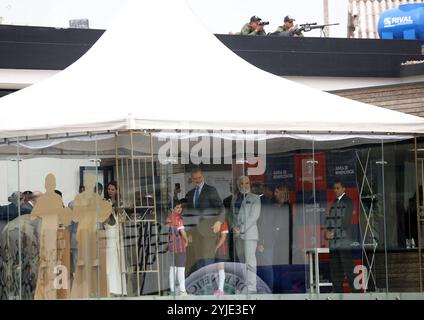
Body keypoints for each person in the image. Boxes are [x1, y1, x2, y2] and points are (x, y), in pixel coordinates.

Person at [184, 167, 225, 273]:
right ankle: (202, 284)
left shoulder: (211, 190)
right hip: (195, 232)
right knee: (198, 259)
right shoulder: (190, 194)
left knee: (208, 259)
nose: (198, 180)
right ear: (192, 179)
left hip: (209, 230)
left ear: (203, 176)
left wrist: (219, 222)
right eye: (195, 178)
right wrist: (189, 232)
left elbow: (221, 208)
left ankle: (209, 286)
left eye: (200, 177)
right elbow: (189, 215)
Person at [325, 180, 359, 293]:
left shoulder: (348, 201)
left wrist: (333, 232)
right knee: (335, 267)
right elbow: (330, 219)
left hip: (344, 239)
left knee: (347, 266)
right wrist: (328, 232)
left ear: (344, 189)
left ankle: (355, 292)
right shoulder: (335, 202)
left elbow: (346, 221)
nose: (335, 190)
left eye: (338, 188)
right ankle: (337, 290)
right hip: (334, 241)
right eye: (334, 188)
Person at [231, 176, 261, 294]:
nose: (245, 185)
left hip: (249, 234)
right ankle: (244, 285)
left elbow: (254, 217)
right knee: (241, 262)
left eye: (247, 183)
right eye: (242, 183)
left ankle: (252, 287)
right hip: (238, 235)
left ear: (250, 183)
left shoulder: (255, 198)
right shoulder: (235, 198)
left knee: (250, 261)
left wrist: (241, 229)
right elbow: (232, 215)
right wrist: (234, 227)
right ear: (238, 185)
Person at [104, 180, 127, 296]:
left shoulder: (121, 203)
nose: (110, 191)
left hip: (118, 232)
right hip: (109, 232)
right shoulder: (105, 202)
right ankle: (111, 288)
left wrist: (118, 209)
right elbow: (104, 219)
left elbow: (123, 219)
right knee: (111, 259)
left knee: (119, 259)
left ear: (117, 190)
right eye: (109, 189)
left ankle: (120, 289)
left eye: (113, 189)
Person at [166, 200, 189, 296]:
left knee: (172, 268)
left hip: (171, 246)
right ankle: (182, 290)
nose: (180, 209)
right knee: (181, 268)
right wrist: (186, 240)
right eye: (177, 207)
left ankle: (172, 290)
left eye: (180, 207)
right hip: (179, 246)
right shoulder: (178, 218)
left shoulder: (168, 219)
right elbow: (182, 232)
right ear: (172, 209)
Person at [213, 220, 230, 296]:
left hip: (222, 250)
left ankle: (221, 290)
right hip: (220, 251)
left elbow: (223, 238)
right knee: (219, 270)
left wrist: (216, 247)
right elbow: (214, 230)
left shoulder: (224, 224)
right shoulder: (219, 223)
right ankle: (219, 289)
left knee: (221, 269)